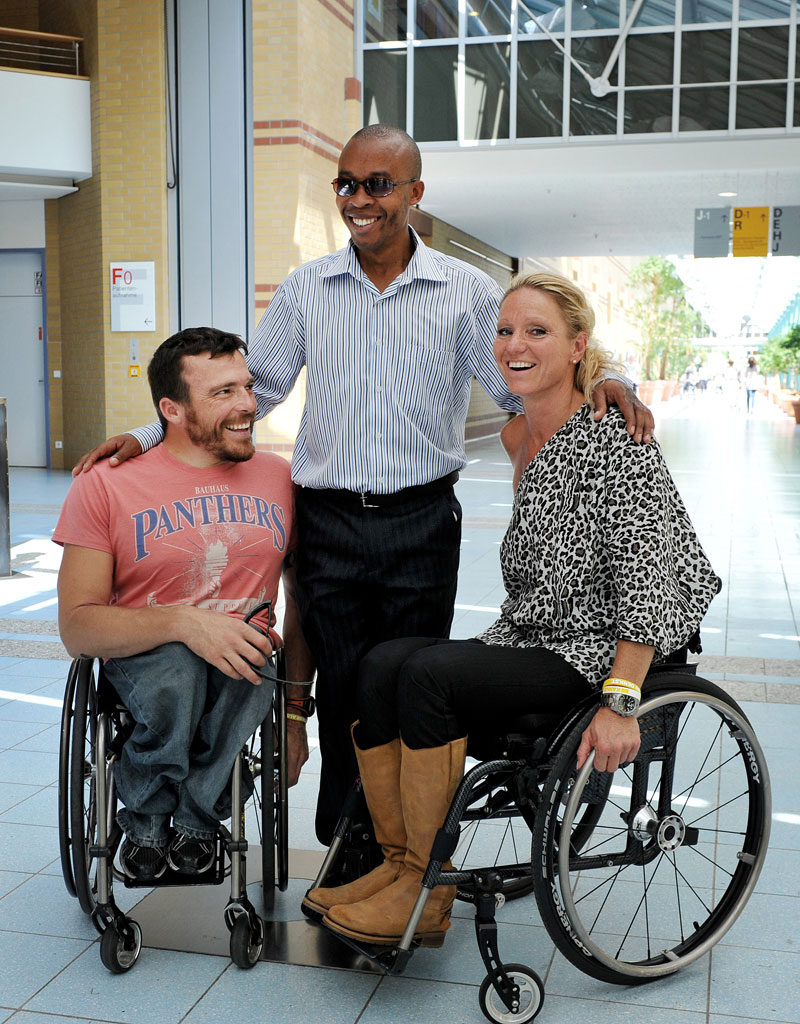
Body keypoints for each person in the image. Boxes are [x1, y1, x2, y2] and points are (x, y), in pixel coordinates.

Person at [71, 125, 653, 850]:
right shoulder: (308, 288)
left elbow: (527, 373)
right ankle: (348, 846)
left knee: (412, 689)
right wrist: (152, 432)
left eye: (377, 184)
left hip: (421, 522)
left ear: (414, 193)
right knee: (344, 687)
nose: (358, 199)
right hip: (330, 521)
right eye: (346, 184)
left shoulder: (466, 292)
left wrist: (611, 379)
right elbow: (258, 389)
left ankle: (405, 850)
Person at [304, 272, 720, 949]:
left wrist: (621, 702)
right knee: (378, 666)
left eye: (537, 331)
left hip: (598, 649)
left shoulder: (617, 438)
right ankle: (401, 867)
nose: (514, 345)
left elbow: (648, 578)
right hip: (531, 635)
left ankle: (425, 893)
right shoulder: (519, 435)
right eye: (504, 330)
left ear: (577, 345)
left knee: (428, 677)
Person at [55, 328, 315, 881]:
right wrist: (185, 623)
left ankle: (199, 818)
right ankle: (146, 816)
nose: (248, 405)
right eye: (223, 393)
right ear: (171, 410)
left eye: (247, 387)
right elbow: (77, 627)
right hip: (147, 661)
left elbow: (304, 600)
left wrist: (295, 715)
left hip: (246, 658)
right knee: (178, 666)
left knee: (251, 662)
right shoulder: (105, 484)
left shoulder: (281, 478)